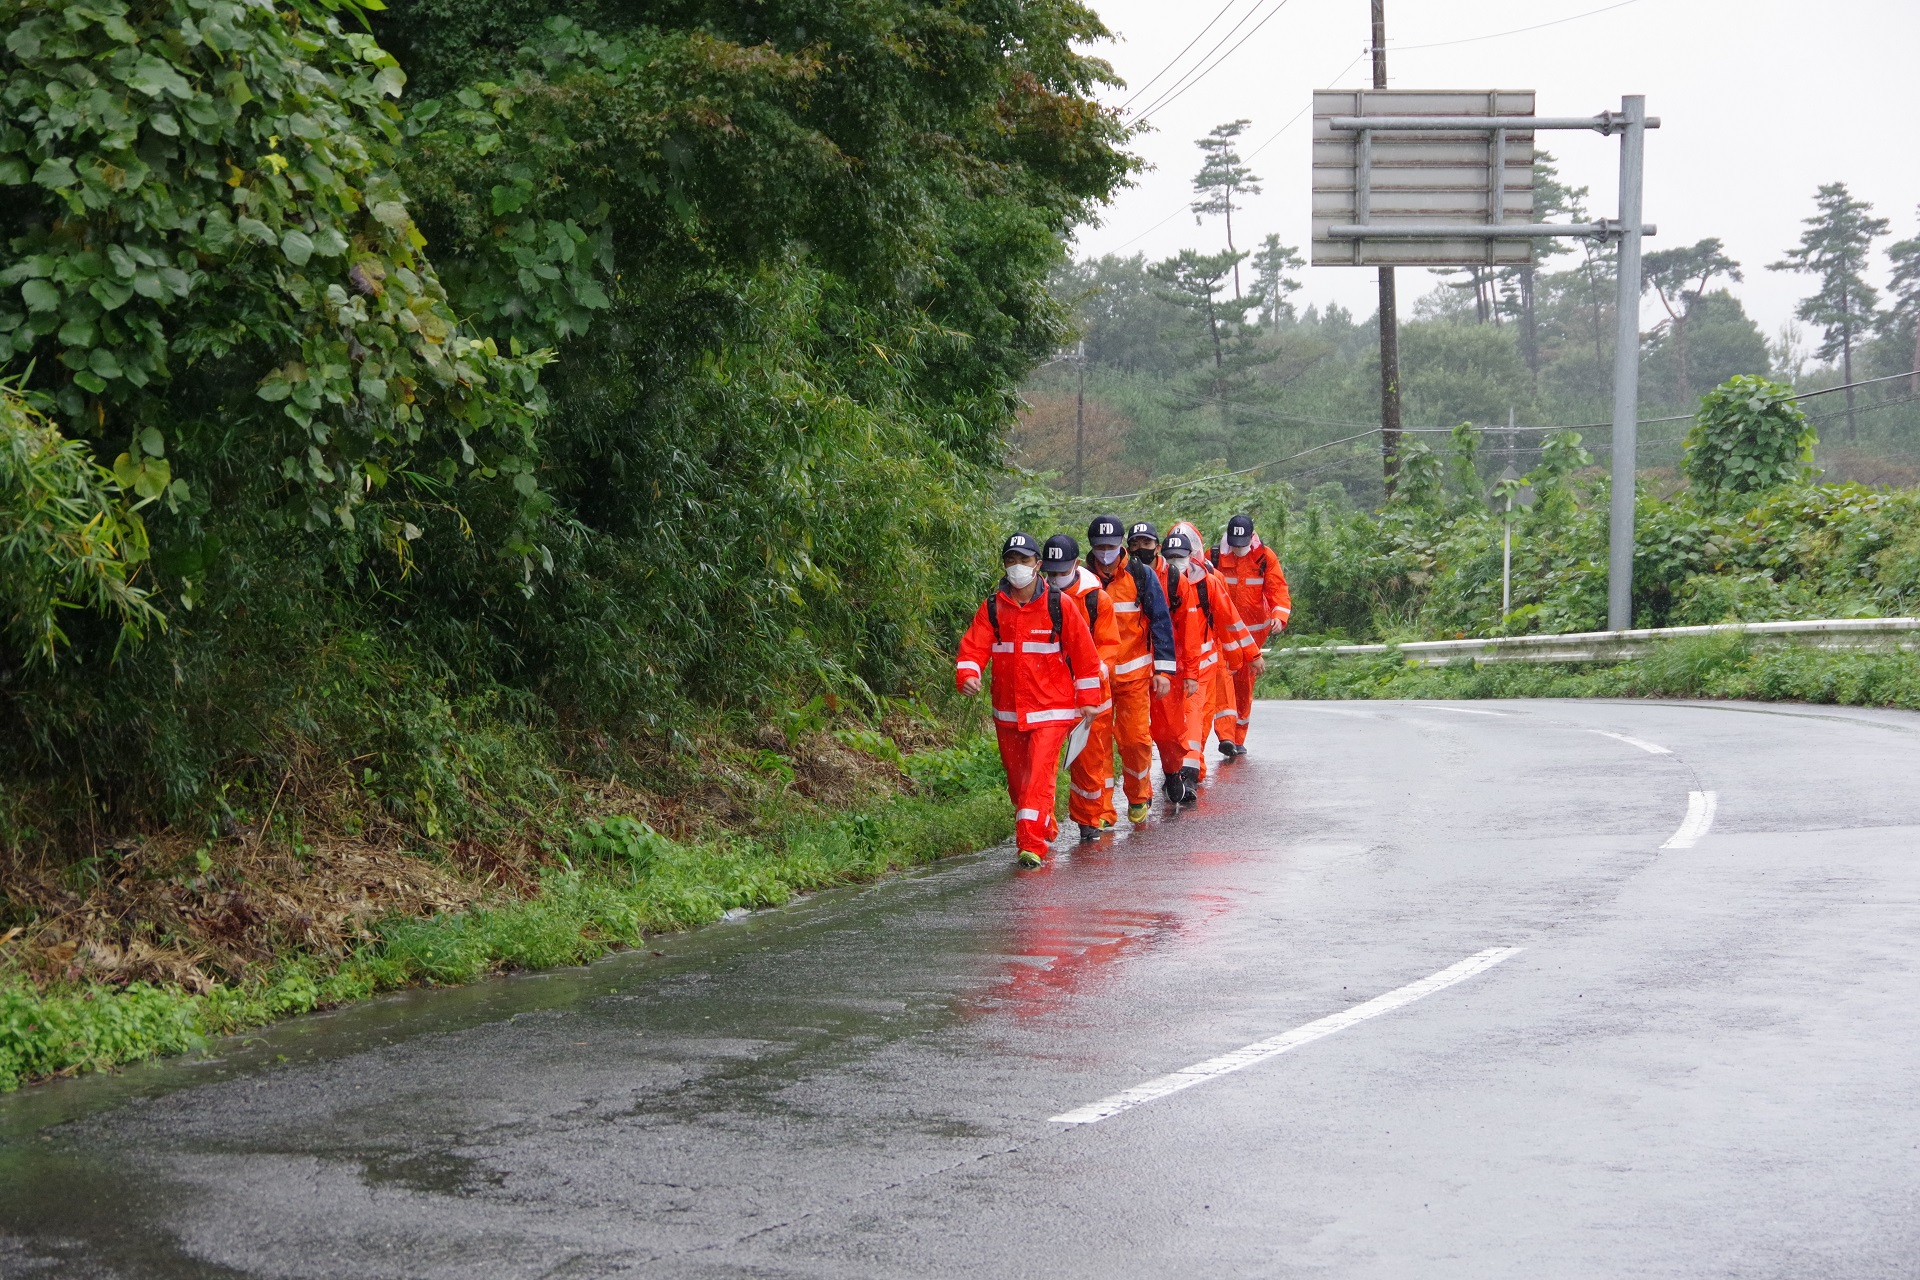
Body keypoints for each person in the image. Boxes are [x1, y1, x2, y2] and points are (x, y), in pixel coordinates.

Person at [956, 533, 1104, 867]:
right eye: (1011, 560)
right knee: (1019, 785)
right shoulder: (994, 606)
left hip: (1052, 710)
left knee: (1038, 777)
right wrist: (968, 675)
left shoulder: (1058, 604)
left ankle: (1031, 845)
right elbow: (973, 647)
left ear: (1038, 565)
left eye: (1024, 560)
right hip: (1008, 713)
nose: (1017, 567)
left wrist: (1089, 699)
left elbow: (1084, 655)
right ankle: (1043, 823)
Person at [1085, 514, 1175, 825]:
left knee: (1135, 741)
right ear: (1092, 547)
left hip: (1135, 676)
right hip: (1097, 681)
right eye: (1100, 546)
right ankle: (1103, 811)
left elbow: (1161, 622)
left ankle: (1138, 795)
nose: (1105, 551)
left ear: (1122, 545)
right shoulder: (1084, 579)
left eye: (1111, 545)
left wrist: (1164, 671)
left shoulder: (1140, 576)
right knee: (1097, 748)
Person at [1041, 534, 1120, 840]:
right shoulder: (1036, 599)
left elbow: (1109, 647)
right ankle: (1042, 826)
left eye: (1061, 571)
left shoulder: (1096, 600)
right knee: (1042, 764)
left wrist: (1090, 675)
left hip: (1091, 696)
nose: (1055, 578)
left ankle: (1089, 820)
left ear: (1075, 564)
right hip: (1049, 694)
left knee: (1090, 762)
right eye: (1050, 572)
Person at [1170, 519, 1257, 768]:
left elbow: (1228, 620)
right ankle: (1181, 768)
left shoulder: (1209, 579)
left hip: (1209, 656)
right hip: (1174, 665)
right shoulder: (1158, 581)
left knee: (1203, 713)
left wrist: (1239, 656)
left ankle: (1194, 765)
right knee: (1181, 719)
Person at [1212, 514, 1288, 757]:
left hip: (1253, 638)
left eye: (1242, 544)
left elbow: (1277, 588)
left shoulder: (1265, 557)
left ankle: (1237, 738)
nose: (1238, 549)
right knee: (1223, 682)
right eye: (1235, 544)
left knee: (1243, 685)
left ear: (1252, 537)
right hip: (1223, 635)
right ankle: (1225, 736)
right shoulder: (1214, 556)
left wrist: (1279, 615)